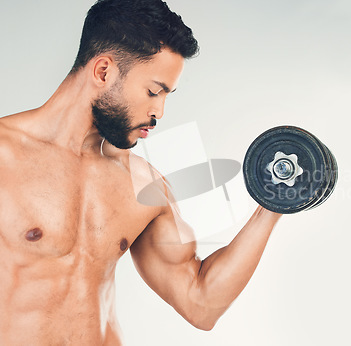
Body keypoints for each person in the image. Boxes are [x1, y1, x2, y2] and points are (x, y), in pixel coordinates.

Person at [0, 0, 281, 344]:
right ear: (103, 72)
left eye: (166, 96)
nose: (159, 111)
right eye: (153, 91)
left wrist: (273, 205)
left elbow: (200, 303)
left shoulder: (143, 184)